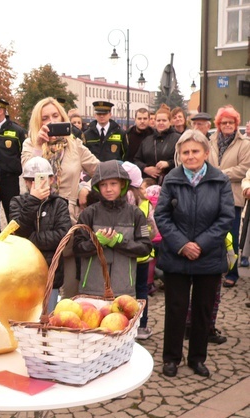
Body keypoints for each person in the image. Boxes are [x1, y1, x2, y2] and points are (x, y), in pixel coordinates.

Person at [154, 130, 234, 378]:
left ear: (206, 153)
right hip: (177, 255)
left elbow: (226, 217)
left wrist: (200, 244)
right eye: (185, 152)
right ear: (179, 154)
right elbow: (162, 216)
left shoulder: (220, 179)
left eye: (195, 151)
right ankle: (171, 358)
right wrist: (182, 244)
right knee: (176, 309)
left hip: (208, 256)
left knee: (203, 309)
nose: (190, 156)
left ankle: (197, 358)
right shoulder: (172, 179)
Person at [21, 97, 100, 297]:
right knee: (42, 288)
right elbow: (28, 176)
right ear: (38, 122)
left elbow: (101, 172)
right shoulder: (30, 145)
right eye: (45, 117)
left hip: (69, 219)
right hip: (39, 221)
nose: (51, 121)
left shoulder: (76, 146)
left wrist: (85, 186)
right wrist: (39, 146)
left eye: (55, 115)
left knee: (71, 289)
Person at [73, 161, 152, 297]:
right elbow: (77, 248)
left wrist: (120, 241)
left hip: (124, 290)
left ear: (122, 184)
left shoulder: (136, 214)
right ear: (97, 187)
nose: (108, 189)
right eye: (103, 184)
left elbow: (145, 248)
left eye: (113, 184)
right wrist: (96, 242)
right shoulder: (88, 213)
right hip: (92, 289)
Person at [8, 157, 71, 312]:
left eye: (42, 179)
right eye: (31, 180)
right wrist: (33, 200)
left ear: (51, 180)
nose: (36, 183)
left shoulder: (59, 204)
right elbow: (18, 231)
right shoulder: (17, 202)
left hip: (51, 274)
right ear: (26, 182)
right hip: (24, 274)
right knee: (24, 321)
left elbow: (63, 236)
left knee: (47, 322)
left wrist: (30, 239)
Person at [208, 105, 250, 288]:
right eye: (224, 122)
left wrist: (220, 173)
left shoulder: (244, 144)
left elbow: (244, 168)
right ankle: (215, 268)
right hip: (209, 195)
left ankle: (232, 272)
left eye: (231, 122)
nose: (227, 125)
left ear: (236, 124)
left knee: (231, 235)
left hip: (232, 195)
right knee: (211, 233)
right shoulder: (210, 141)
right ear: (218, 124)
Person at [121, 162, 157, 340]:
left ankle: (122, 323)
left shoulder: (118, 200)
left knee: (123, 291)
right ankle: (141, 326)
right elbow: (153, 231)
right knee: (141, 291)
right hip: (142, 256)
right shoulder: (145, 203)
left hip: (122, 256)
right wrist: (142, 239)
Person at [0, 95, 26, 233]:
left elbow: (23, 154)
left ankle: (14, 242)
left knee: (13, 214)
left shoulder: (16, 130)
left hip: (10, 180)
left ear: (1, 110)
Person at [134, 104, 179, 185]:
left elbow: (182, 160)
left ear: (170, 122)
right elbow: (137, 160)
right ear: (154, 122)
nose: (161, 123)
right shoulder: (147, 140)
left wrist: (168, 163)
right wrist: (145, 168)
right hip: (149, 183)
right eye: (158, 120)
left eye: (164, 120)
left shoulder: (178, 139)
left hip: (171, 181)